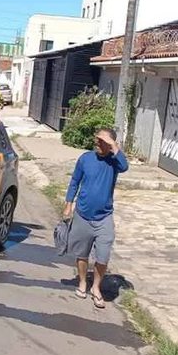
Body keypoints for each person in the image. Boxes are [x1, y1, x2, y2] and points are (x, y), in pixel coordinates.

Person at [63, 128, 129, 309]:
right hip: (83, 214)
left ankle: (96, 287)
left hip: (104, 217)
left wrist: (114, 146)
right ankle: (83, 282)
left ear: (110, 145)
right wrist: (68, 203)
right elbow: (75, 181)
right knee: (82, 254)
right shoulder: (85, 159)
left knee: (103, 256)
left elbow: (125, 166)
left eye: (102, 142)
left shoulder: (114, 162)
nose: (98, 144)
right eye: (97, 140)